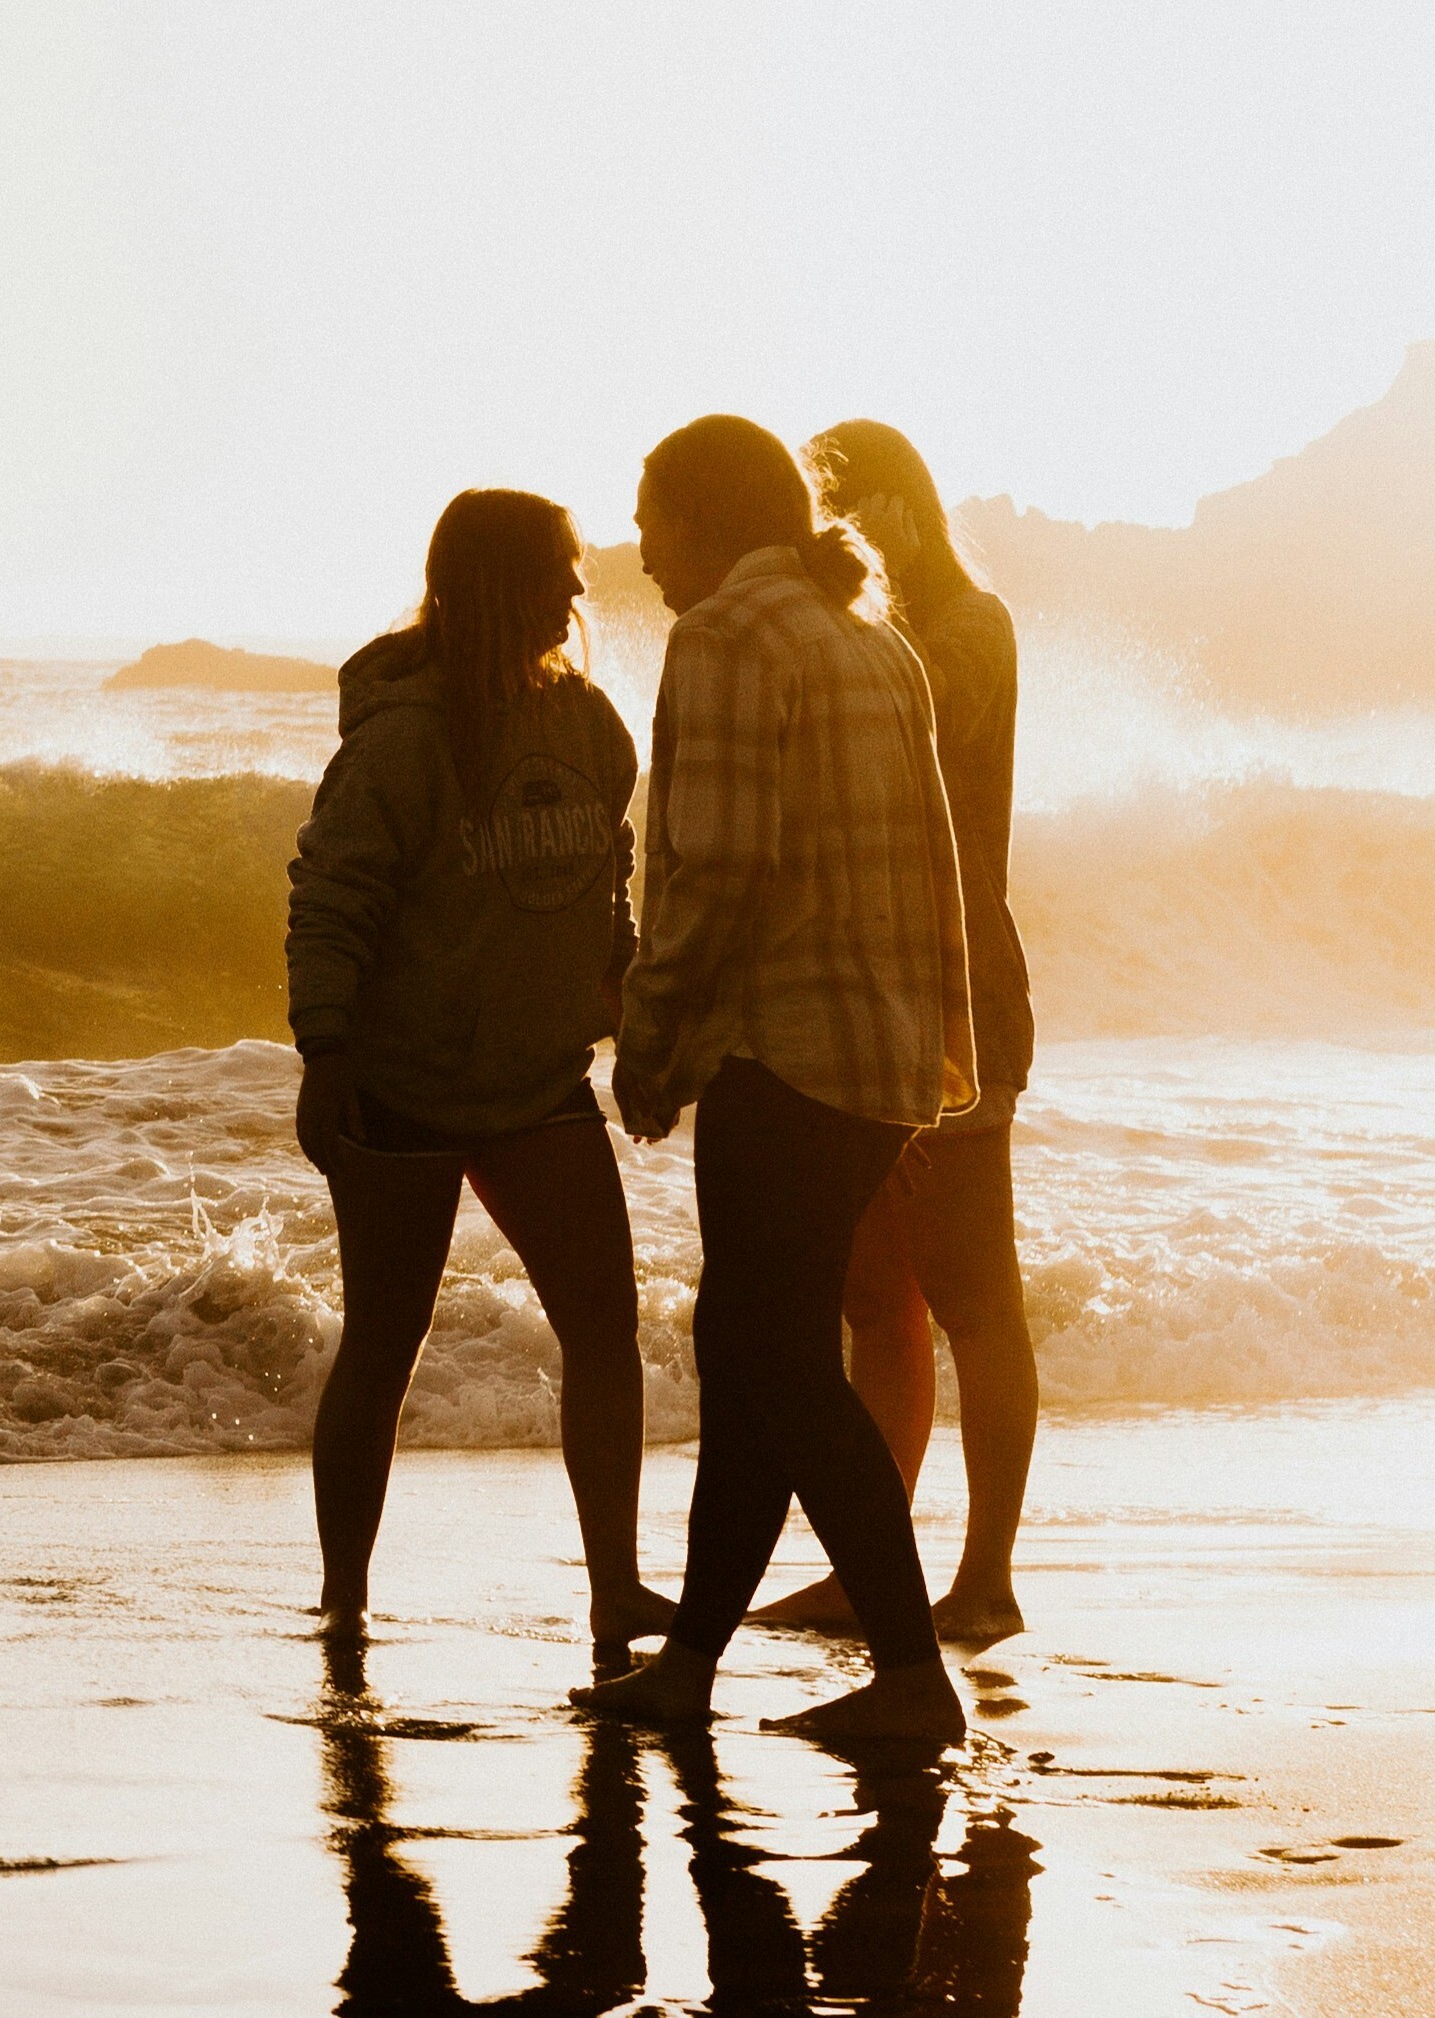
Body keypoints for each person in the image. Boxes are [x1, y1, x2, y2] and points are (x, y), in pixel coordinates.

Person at [572, 414, 975, 1742]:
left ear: (705, 513)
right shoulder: (870, 634)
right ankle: (690, 1661)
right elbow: (932, 860)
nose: (640, 547)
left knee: (773, 1360)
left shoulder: (727, 636)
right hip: (878, 1057)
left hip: (783, 1051)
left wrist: (649, 1043)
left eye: (651, 514)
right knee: (751, 1349)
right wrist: (941, 1041)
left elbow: (717, 866)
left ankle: (911, 1676)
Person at [287, 487, 676, 1658]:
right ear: (498, 581)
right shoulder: (400, 739)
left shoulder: (588, 725)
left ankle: (616, 1587)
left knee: (604, 1326)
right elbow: (331, 899)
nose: (576, 589)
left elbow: (606, 885)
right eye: (557, 569)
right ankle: (344, 1598)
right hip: (399, 1083)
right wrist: (323, 1053)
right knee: (383, 1338)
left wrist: (630, 1012)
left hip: (537, 1081)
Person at [749, 418, 1038, 1647]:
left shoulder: (968, 627)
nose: (829, 539)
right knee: (877, 1297)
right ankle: (869, 1566)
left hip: (961, 995)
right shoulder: (855, 631)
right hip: (860, 993)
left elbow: (913, 721)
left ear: (897, 508)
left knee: (973, 1292)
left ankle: (987, 1578)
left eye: (845, 511)